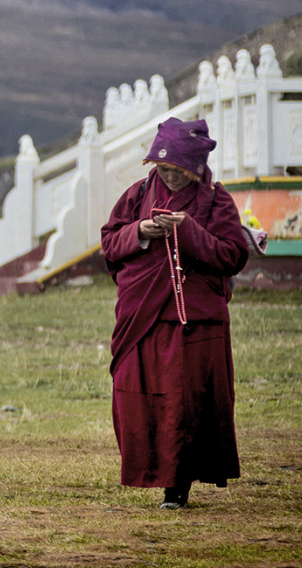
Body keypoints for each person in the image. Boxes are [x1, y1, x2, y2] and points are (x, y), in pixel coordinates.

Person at [99, 117, 248, 509]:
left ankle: (177, 486)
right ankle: (149, 470)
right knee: (138, 396)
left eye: (178, 171)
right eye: (163, 169)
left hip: (193, 323)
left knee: (186, 402)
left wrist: (188, 231)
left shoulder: (217, 201)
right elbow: (111, 243)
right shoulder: (138, 194)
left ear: (195, 169)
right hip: (142, 318)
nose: (170, 177)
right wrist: (142, 232)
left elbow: (232, 256)